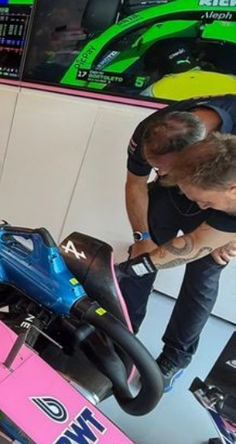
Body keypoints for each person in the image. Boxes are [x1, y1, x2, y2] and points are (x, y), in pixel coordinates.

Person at [118, 94, 236, 392]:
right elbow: (135, 183)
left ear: (197, 155)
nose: (159, 173)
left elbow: (196, 243)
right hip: (182, 191)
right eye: (157, 169)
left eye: (166, 170)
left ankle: (175, 357)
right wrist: (142, 238)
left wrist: (228, 235)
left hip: (219, 196)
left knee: (204, 273)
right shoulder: (156, 132)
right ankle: (120, 335)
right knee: (141, 255)